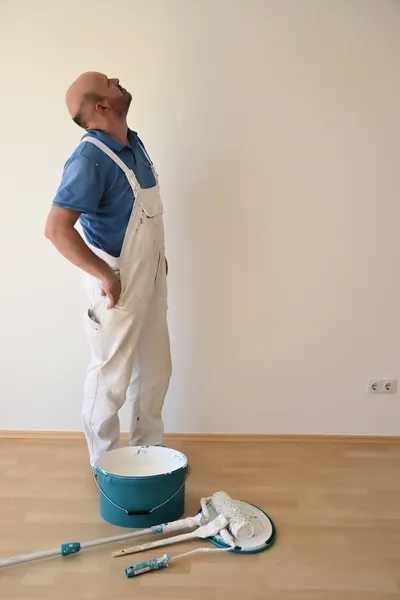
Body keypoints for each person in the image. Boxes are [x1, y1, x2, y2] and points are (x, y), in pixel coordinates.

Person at [45, 72, 172, 467]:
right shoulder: (89, 159)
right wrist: (104, 274)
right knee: (111, 377)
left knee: (155, 370)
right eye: (109, 81)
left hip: (149, 275)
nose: (118, 80)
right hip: (117, 282)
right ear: (102, 106)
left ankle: (149, 457)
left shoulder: (133, 143)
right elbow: (55, 229)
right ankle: (106, 465)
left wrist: (156, 258)